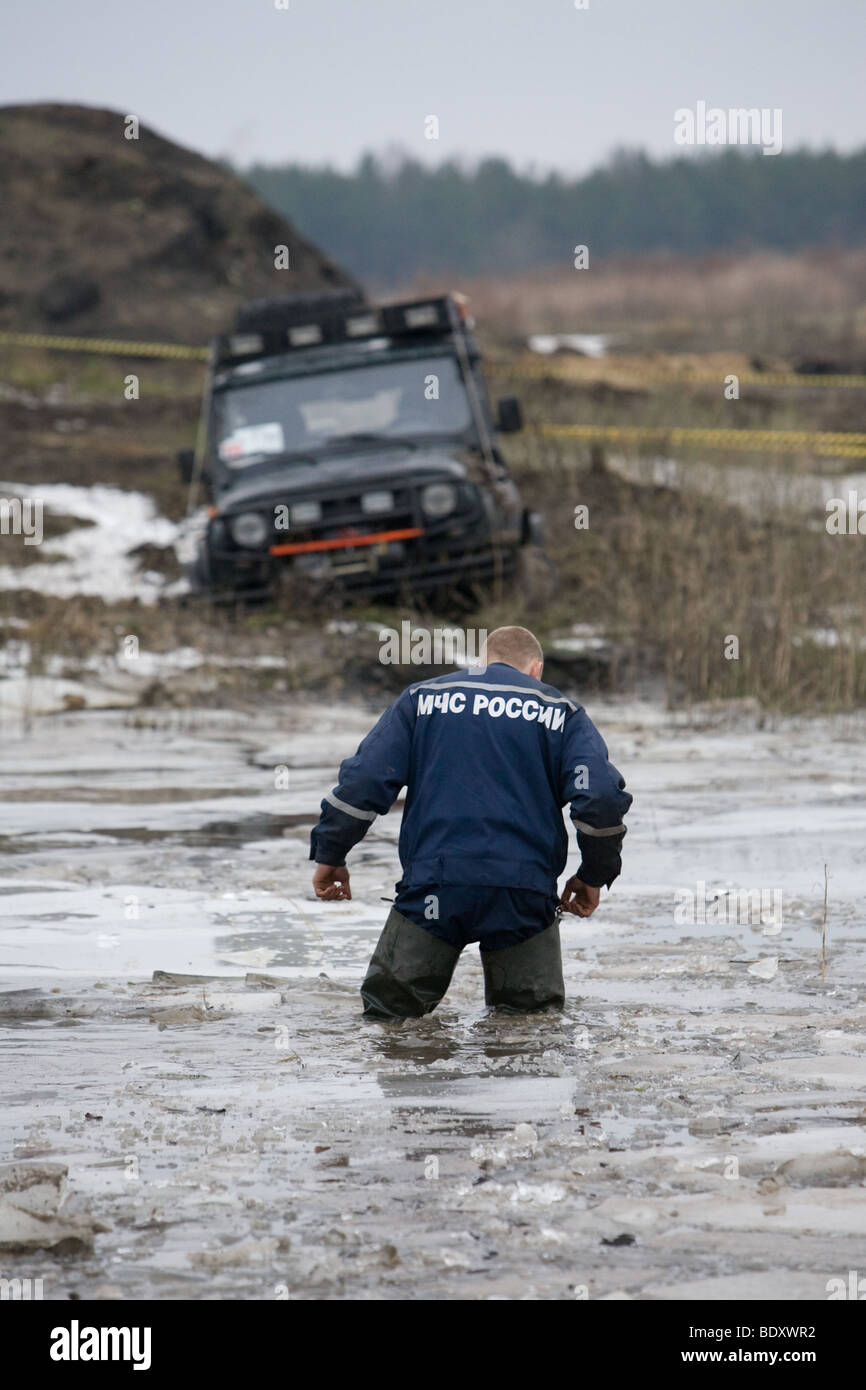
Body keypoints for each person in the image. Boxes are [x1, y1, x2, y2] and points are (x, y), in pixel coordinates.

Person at [310, 625, 632, 1018]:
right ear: (536, 669)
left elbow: (364, 782)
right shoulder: (562, 712)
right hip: (522, 893)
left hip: (435, 886)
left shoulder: (421, 699)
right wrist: (594, 873)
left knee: (389, 1018)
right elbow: (599, 797)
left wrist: (331, 851)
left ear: (481, 662)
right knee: (529, 1027)